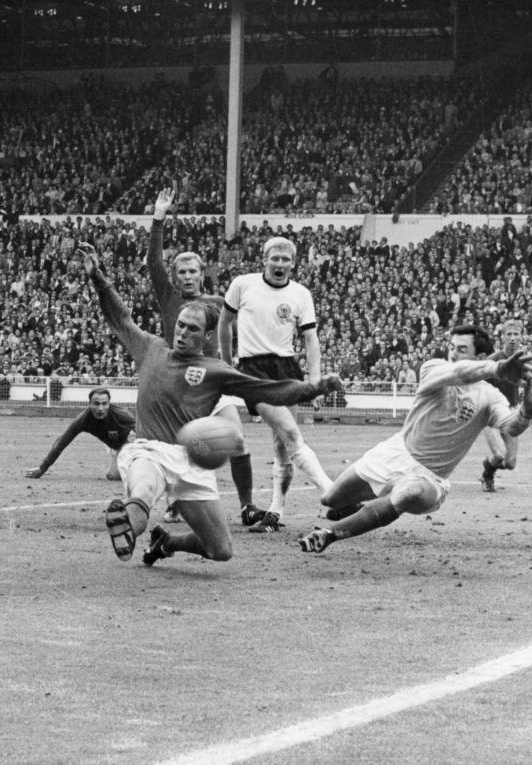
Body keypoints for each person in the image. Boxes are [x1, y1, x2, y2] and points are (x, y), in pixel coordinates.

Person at [80, 242, 344, 567]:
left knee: (221, 550)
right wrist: (98, 279)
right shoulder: (151, 349)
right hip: (148, 449)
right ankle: (127, 525)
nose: (182, 333)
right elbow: (120, 318)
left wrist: (310, 389)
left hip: (191, 462)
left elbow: (271, 391)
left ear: (206, 335)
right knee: (144, 489)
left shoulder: (216, 371)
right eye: (180, 325)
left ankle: (167, 543)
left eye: (192, 329)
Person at [296, 325, 532, 554]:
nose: (452, 353)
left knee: (410, 492)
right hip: (394, 453)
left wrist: (527, 412)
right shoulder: (434, 369)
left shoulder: (490, 396)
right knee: (330, 499)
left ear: (480, 357)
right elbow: (461, 372)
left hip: (430, 478)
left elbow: (511, 426)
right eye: (451, 347)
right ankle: (365, 510)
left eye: (462, 349)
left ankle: (330, 533)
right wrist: (496, 368)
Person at [146, 188, 263, 525]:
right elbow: (154, 262)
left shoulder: (217, 302)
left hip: (213, 380)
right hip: (180, 382)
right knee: (180, 445)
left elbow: (236, 330)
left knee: (237, 439)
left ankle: (247, 507)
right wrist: (159, 218)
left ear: (201, 274)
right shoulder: (168, 297)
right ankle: (177, 501)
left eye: (192, 272)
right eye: (181, 272)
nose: (186, 277)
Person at [217, 236, 335, 533]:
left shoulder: (300, 294)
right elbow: (224, 322)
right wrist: (228, 360)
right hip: (253, 369)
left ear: (293, 263)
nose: (280, 264)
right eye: (275, 258)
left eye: (286, 259)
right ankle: (333, 494)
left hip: (286, 366)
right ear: (264, 259)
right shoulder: (243, 284)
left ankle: (276, 512)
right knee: (291, 433)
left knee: (282, 445)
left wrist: (314, 381)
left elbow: (310, 340)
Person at [24, 387, 134, 481]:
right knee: (113, 475)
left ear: (109, 404)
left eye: (104, 404)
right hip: (116, 446)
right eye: (96, 404)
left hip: (132, 442)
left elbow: (145, 430)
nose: (100, 408)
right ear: (89, 404)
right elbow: (62, 441)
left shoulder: (122, 415)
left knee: (116, 473)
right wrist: (43, 468)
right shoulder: (82, 420)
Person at [480, 319, 525, 492]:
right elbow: (479, 385)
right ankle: (487, 475)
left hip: (511, 413)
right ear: (502, 337)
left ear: (521, 337)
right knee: (499, 455)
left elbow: (527, 386)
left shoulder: (522, 360)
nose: (512, 338)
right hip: (490, 413)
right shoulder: (493, 360)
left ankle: (487, 463)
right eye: (509, 334)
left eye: (516, 334)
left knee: (510, 463)